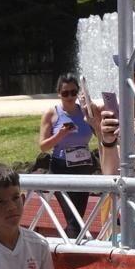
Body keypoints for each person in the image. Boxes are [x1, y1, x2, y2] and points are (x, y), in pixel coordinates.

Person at [38, 74, 101, 236]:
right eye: (65, 93)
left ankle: (70, 248)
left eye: (73, 92)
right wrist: (60, 135)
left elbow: (101, 136)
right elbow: (43, 147)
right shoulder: (52, 114)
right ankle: (73, 252)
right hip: (61, 168)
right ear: (58, 93)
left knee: (78, 216)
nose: (70, 97)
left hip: (83, 167)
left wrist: (94, 119)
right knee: (72, 217)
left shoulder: (86, 111)